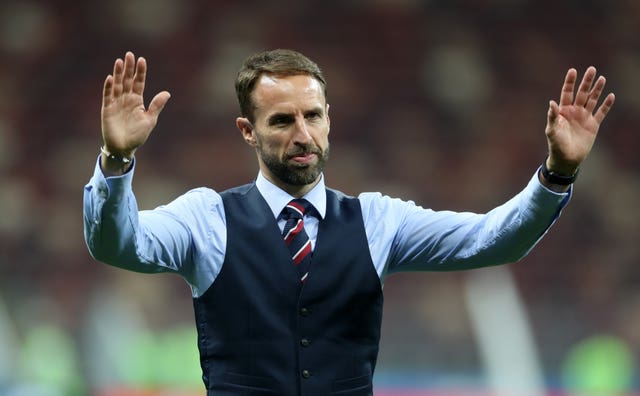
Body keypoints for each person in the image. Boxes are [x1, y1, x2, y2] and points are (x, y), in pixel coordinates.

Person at [83, 49, 614, 395]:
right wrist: (115, 162)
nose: (302, 134)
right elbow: (118, 245)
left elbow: (492, 241)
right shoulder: (206, 217)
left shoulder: (378, 219)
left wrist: (558, 173)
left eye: (313, 116)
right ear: (247, 131)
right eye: (282, 120)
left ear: (329, 120)